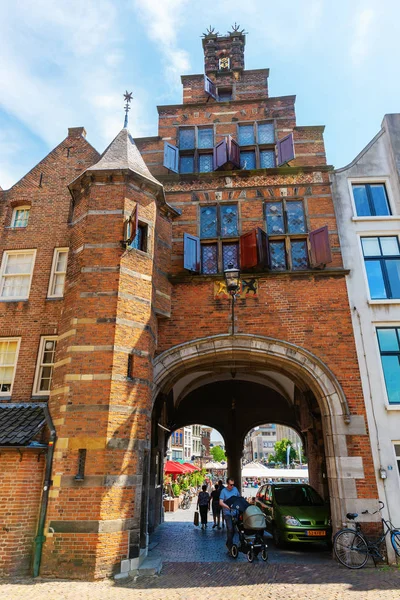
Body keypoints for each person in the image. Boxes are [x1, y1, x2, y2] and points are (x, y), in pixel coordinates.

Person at [219, 477, 240, 551]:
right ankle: (230, 546)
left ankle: (228, 543)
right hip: (227, 513)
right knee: (230, 528)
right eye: (231, 485)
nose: (232, 486)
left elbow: (239, 498)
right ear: (227, 484)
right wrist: (227, 507)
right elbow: (220, 502)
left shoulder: (235, 489)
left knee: (234, 530)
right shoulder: (223, 491)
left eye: (233, 485)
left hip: (235, 513)